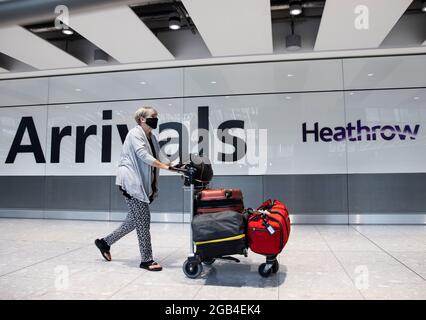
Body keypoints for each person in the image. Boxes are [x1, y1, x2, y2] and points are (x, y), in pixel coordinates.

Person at [95, 106, 175, 271]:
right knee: (143, 220)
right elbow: (143, 155)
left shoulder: (151, 137)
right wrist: (165, 167)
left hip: (140, 184)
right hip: (131, 183)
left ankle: (104, 243)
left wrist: (175, 165)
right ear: (142, 119)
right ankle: (146, 259)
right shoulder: (134, 134)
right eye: (153, 116)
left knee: (133, 221)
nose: (156, 119)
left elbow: (159, 157)